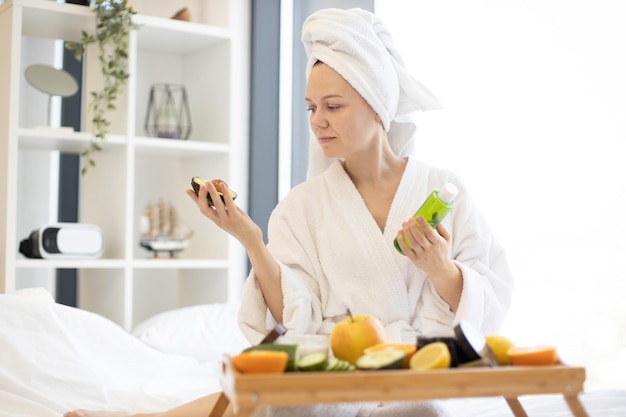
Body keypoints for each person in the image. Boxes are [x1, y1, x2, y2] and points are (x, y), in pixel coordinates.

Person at [65, 7, 513, 417]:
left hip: (419, 369)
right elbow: (293, 317)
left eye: (334, 106)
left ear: (378, 105)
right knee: (278, 402)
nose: (317, 120)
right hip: (335, 371)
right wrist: (249, 239)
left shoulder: (443, 191)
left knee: (421, 413)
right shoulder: (302, 206)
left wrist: (441, 271)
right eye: (311, 107)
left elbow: (487, 308)